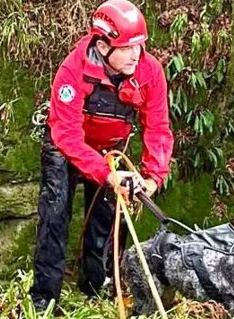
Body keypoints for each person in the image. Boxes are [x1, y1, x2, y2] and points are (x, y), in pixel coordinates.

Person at [29, 0, 174, 311]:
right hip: (64, 146)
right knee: (55, 215)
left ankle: (95, 285)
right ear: (104, 43)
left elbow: (158, 127)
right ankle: (44, 299)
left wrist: (152, 177)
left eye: (140, 45)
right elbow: (66, 134)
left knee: (106, 220)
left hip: (111, 147)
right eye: (128, 47)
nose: (137, 54)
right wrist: (107, 174)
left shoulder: (149, 71)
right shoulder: (73, 70)